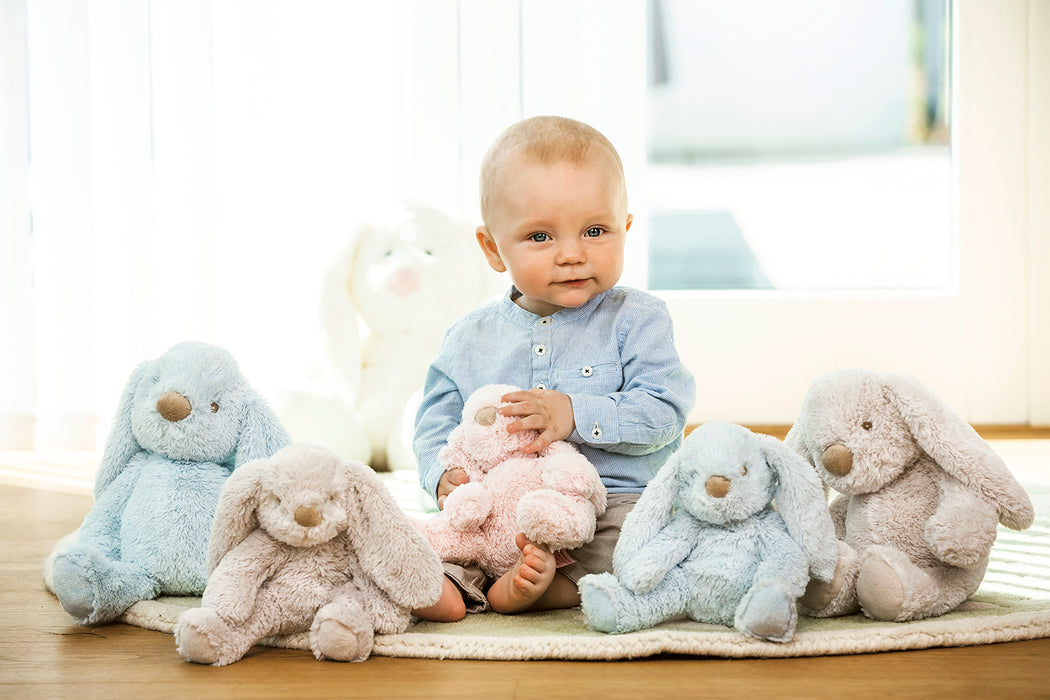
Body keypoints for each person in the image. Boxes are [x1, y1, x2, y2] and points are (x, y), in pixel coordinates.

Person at [412, 115, 695, 621]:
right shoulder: (468, 338)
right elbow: (435, 421)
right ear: (494, 249)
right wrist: (442, 474)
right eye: (541, 237)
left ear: (625, 229)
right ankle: (455, 583)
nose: (571, 254)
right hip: (501, 506)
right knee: (451, 535)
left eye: (594, 230)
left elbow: (665, 414)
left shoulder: (638, 320)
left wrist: (575, 413)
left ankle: (544, 586)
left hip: (610, 500)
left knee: (650, 538)